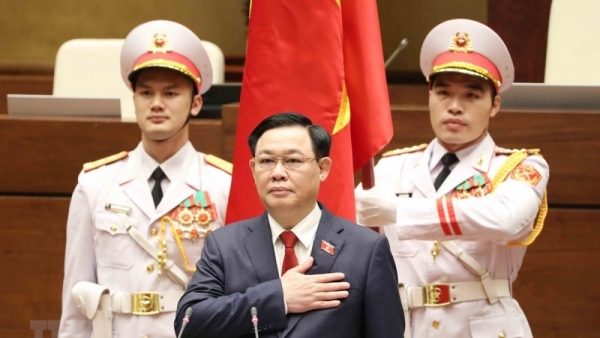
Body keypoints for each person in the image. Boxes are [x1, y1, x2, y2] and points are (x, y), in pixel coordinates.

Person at [355, 19, 549, 338]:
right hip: (407, 326)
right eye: (443, 92)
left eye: (471, 96)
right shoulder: (391, 168)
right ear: (429, 96)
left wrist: (400, 212)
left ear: (494, 105)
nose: (454, 107)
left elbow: (506, 219)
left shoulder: (520, 167)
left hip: (485, 326)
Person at [58, 20, 232, 338]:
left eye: (170, 93)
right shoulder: (96, 183)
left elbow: (237, 293)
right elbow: (77, 296)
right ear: (134, 100)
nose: (156, 103)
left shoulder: (223, 185)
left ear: (195, 103)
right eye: (145, 92)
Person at [176, 112, 404, 338]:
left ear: (322, 168)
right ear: (253, 170)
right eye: (266, 161)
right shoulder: (225, 244)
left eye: (292, 161)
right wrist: (278, 297)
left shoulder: (366, 249)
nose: (277, 173)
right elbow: (188, 321)